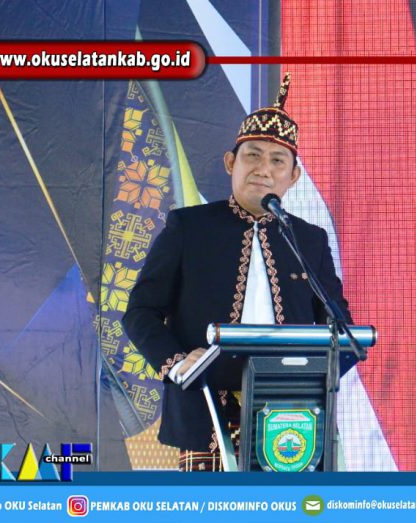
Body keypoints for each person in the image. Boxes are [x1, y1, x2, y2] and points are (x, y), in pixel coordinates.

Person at [122, 73, 352, 471]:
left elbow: (340, 330)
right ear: (231, 162)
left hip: (291, 416)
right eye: (253, 156)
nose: (264, 169)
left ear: (293, 176)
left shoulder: (309, 240)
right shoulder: (189, 227)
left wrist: (312, 380)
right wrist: (178, 362)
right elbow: (140, 312)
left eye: (277, 160)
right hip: (207, 407)